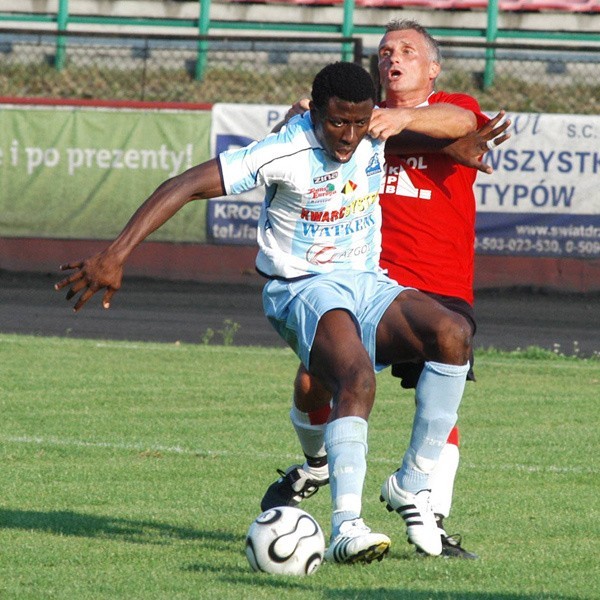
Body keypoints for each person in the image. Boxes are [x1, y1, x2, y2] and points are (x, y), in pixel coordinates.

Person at [55, 60, 479, 564]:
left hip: (366, 282)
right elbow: (184, 185)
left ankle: (411, 483)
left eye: (359, 123)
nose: (348, 137)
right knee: (357, 378)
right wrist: (116, 254)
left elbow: (440, 128)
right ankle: (347, 526)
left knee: (453, 333)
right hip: (300, 287)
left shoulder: (374, 130)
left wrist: (458, 148)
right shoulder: (286, 150)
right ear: (315, 111)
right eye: (336, 122)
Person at [260, 19, 510, 559]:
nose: (392, 58)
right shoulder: (351, 120)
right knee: (314, 383)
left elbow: (462, 120)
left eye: (407, 51)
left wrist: (403, 117)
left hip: (437, 286)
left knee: (442, 391)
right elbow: (299, 135)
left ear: (433, 67)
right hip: (364, 282)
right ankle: (318, 465)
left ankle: (427, 516)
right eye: (383, 52)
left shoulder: (447, 111)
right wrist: (303, 118)